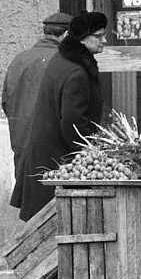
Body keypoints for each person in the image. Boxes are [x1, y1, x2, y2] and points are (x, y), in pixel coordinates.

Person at [11, 11, 108, 221]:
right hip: (58, 162)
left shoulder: (62, 61)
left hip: (45, 155)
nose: (104, 41)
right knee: (57, 229)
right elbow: (73, 124)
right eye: (99, 36)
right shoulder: (77, 72)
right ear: (83, 38)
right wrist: (89, 156)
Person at [1, 11, 72, 208]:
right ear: (66, 35)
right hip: (53, 150)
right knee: (57, 214)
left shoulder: (19, 60)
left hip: (22, 144)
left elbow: (6, 103)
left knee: (32, 212)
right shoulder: (65, 62)